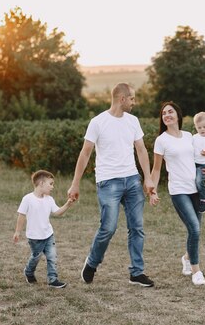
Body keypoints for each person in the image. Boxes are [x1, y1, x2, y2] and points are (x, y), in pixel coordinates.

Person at [67, 83, 156, 288]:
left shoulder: (133, 121)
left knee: (137, 227)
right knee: (108, 228)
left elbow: (141, 150)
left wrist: (148, 178)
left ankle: (137, 272)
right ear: (122, 99)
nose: (134, 102)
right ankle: (92, 263)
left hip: (132, 180)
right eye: (132, 98)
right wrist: (75, 184)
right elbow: (85, 153)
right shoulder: (98, 122)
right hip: (108, 182)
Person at [149, 101, 205, 286]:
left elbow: (200, 159)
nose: (166, 115)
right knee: (194, 227)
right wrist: (152, 191)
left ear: (177, 114)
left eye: (170, 112)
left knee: (196, 231)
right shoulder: (161, 140)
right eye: (163, 113)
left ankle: (186, 258)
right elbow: (156, 170)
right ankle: (196, 271)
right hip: (178, 191)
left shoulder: (189, 137)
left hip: (195, 189)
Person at [13, 170, 75, 289]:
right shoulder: (28, 199)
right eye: (50, 184)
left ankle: (53, 279)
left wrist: (67, 204)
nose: (52, 187)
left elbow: (57, 212)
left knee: (52, 256)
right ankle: (29, 272)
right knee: (36, 256)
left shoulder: (49, 199)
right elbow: (21, 215)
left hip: (48, 234)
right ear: (41, 183)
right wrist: (17, 231)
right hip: (34, 237)